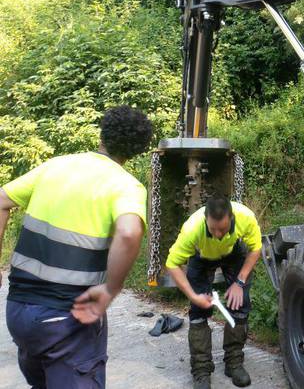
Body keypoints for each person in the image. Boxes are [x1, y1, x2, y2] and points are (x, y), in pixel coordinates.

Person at [0, 105, 152, 388]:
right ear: (136, 150)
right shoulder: (125, 186)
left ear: (102, 135)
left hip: (18, 312)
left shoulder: (56, 165)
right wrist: (111, 289)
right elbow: (130, 233)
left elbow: (1, 201)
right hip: (67, 318)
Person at [166, 194, 262, 389]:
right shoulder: (192, 228)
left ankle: (234, 362)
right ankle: (201, 370)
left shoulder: (245, 217)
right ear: (205, 221)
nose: (218, 234)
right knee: (198, 313)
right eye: (213, 229)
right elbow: (172, 264)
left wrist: (240, 281)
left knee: (239, 303)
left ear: (232, 219)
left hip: (233, 254)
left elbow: (255, 248)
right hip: (201, 257)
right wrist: (194, 296)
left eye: (223, 229)